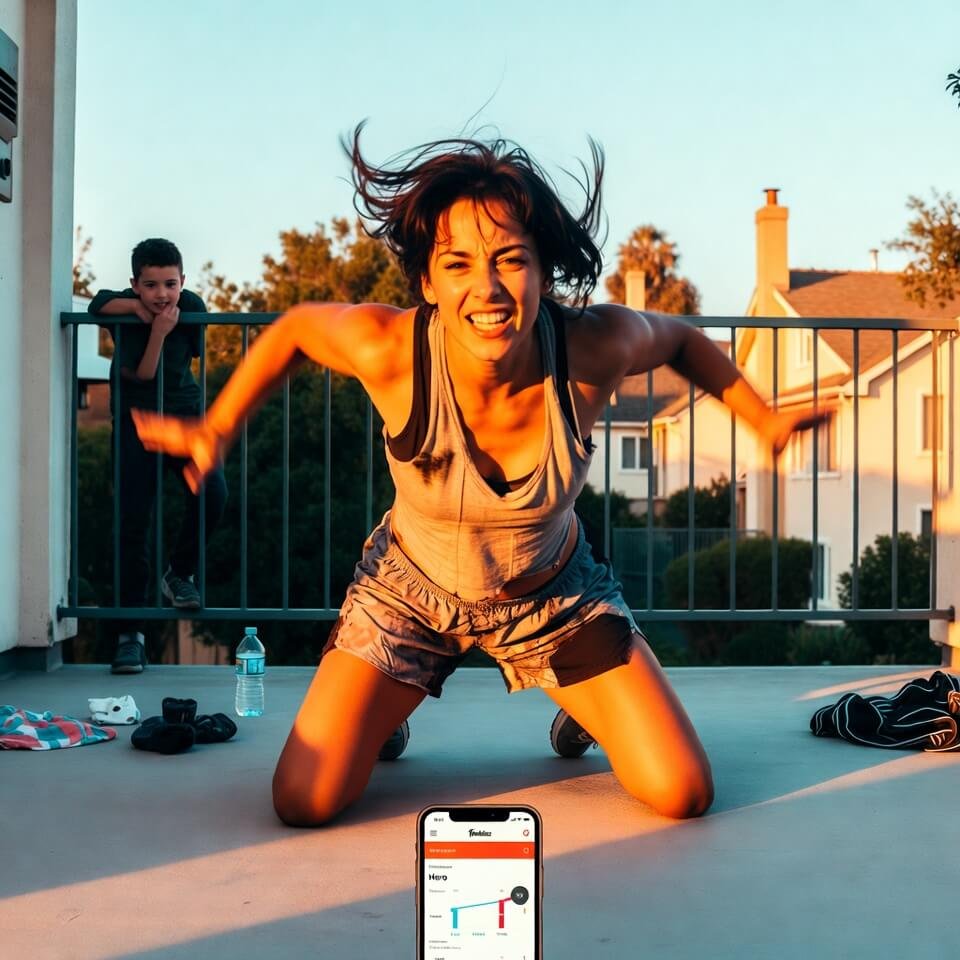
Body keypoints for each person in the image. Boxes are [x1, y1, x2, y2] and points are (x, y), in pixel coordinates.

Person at [133, 128, 822, 823]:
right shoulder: (395, 351)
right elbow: (296, 330)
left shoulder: (591, 347)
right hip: (409, 595)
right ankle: (385, 711)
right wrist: (215, 427)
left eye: (510, 259)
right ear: (429, 281)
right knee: (303, 800)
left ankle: (581, 702)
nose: (487, 288)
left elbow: (679, 338)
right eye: (458, 264)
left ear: (542, 272)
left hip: (552, 595)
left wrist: (759, 419)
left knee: (683, 792)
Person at [90, 238, 228, 674]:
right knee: (134, 522)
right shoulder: (128, 312)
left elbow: (186, 361)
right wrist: (150, 324)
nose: (161, 294)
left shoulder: (192, 305)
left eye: (170, 284)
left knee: (213, 492)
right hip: (137, 424)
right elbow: (142, 369)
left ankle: (179, 573)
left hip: (184, 420)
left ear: (182, 281)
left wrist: (165, 323)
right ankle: (132, 635)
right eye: (149, 286)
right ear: (135, 285)